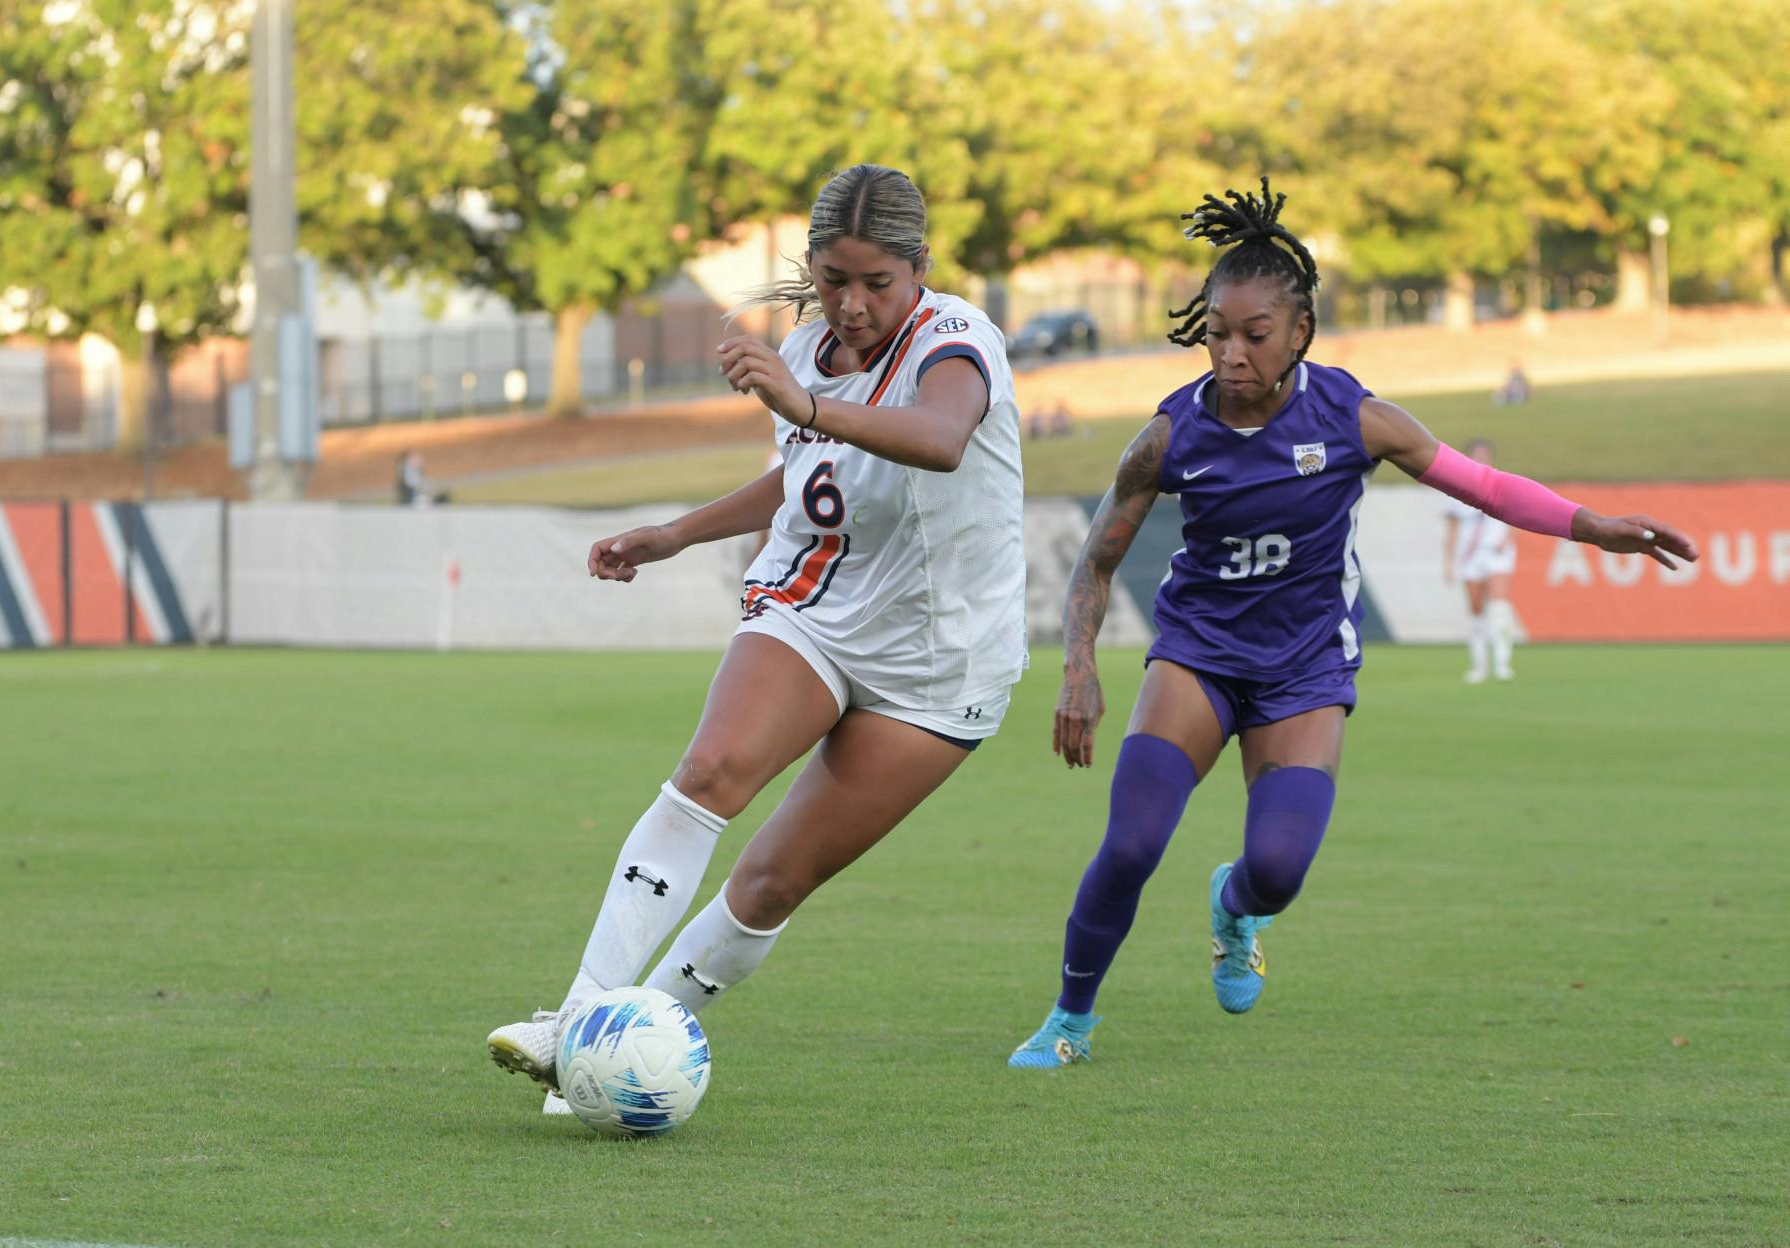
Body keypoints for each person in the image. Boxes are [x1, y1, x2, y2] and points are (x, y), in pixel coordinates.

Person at [1008, 179, 1696, 1068]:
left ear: (1299, 332)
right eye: (1217, 332)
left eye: (1255, 335)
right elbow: (1096, 562)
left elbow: (1483, 486)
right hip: (1198, 656)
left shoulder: (1354, 419)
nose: (1231, 353)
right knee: (1133, 842)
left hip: (1302, 670)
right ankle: (1070, 1019)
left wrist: (1592, 525)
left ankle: (1234, 904)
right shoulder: (1169, 437)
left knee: (1280, 872)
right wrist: (1077, 667)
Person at [486, 164, 1026, 1112]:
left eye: (877, 283)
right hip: (818, 606)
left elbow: (938, 439)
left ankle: (607, 1055)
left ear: (921, 270)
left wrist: (803, 403)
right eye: (833, 279)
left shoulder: (957, 342)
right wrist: (679, 531)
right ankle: (576, 1022)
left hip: (942, 660)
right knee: (712, 771)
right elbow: (805, 472)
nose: (852, 305)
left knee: (772, 881)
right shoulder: (811, 347)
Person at [1443, 438, 1519, 683]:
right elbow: (1452, 530)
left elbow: (1517, 515)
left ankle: (1502, 663)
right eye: (1475, 455)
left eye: (1484, 455)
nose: (1480, 460)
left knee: (1498, 607)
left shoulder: (1502, 483)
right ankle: (1479, 666)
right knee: (1476, 612)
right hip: (1470, 556)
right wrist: (1448, 562)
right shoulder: (1455, 490)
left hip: (1496, 554)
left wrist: (1508, 539)